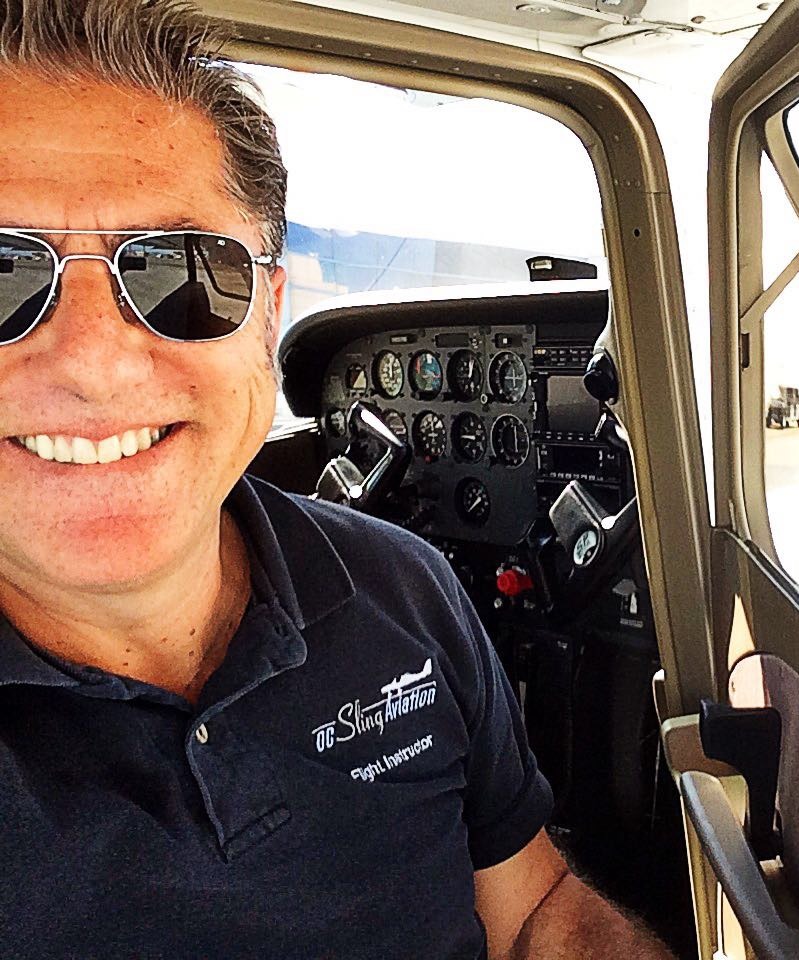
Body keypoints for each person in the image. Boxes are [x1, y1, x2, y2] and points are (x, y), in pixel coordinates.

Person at [0, 1, 674, 957]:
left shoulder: (401, 585)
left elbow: (536, 911)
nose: (94, 365)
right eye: (1, 273)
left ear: (269, 316)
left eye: (183, 275)